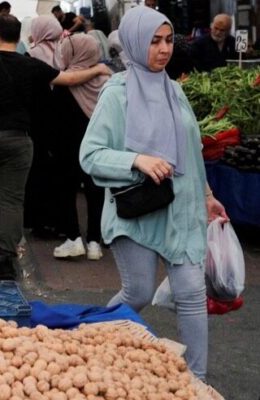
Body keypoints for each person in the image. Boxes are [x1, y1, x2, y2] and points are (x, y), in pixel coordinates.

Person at [80, 6, 229, 380]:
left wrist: (208, 196)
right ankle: (90, 341)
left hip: (182, 208)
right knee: (139, 293)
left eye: (167, 41)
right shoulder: (116, 94)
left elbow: (191, 149)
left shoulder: (175, 89)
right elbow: (91, 154)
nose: (164, 50)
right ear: (133, 43)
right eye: (154, 42)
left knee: (192, 293)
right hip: (139, 210)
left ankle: (197, 380)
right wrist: (137, 160)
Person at [0, 15, 112, 280]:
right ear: (18, 38)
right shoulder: (31, 65)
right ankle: (7, 252)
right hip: (18, 140)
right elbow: (69, 79)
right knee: (13, 199)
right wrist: (96, 70)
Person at [51, 34, 108, 260]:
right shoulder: (106, 82)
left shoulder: (64, 84)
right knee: (96, 192)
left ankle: (73, 238)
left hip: (67, 148)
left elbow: (54, 119)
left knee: (66, 191)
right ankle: (95, 242)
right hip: (97, 148)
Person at [25, 15, 63, 237]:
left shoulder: (30, 55)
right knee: (54, 173)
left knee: (36, 172)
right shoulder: (63, 53)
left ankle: (37, 221)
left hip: (35, 123)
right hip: (58, 122)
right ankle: (56, 220)